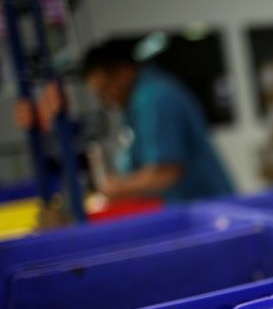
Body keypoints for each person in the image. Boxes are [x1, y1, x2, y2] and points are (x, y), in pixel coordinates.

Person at [82, 39, 234, 202]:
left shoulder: (155, 99)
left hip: (204, 207)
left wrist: (117, 188)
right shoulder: (138, 102)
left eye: (105, 88)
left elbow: (165, 172)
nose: (106, 99)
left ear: (124, 73)